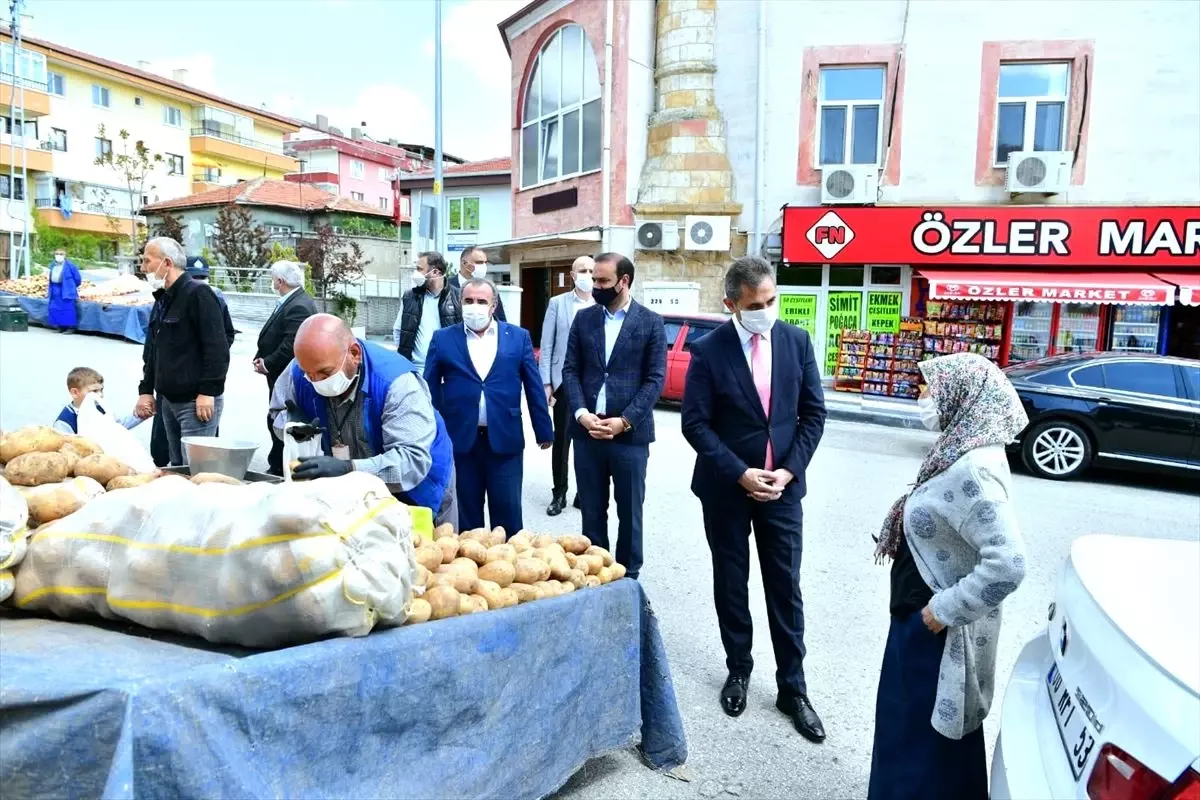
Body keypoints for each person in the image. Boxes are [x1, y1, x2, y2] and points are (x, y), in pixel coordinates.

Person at [868, 353, 1029, 800]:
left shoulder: (974, 470)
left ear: (963, 395)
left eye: (930, 388)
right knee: (910, 734)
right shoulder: (958, 448)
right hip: (920, 623)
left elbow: (1009, 563)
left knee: (918, 743)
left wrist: (941, 611)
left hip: (934, 634)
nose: (922, 397)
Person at [680, 256, 828, 741]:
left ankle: (793, 688)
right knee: (732, 581)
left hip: (782, 489)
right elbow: (695, 424)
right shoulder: (709, 350)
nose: (766, 310)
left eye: (771, 300)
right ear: (732, 305)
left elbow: (813, 416)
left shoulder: (796, 341)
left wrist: (787, 471)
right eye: (755, 305)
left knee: (785, 586)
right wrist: (741, 473)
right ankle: (738, 668)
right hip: (727, 488)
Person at [271, 314, 458, 528]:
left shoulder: (397, 383)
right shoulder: (301, 366)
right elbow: (277, 411)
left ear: (354, 354)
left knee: (424, 550)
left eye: (325, 373)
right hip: (351, 495)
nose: (316, 382)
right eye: (309, 375)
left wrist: (349, 469)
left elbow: (411, 461)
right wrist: (292, 427)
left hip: (416, 488)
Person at [562, 252, 666, 580]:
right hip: (588, 433)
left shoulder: (650, 322)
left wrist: (625, 421)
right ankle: (597, 575)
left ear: (624, 281)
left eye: (603, 281)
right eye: (594, 280)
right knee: (592, 512)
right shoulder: (584, 319)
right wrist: (580, 413)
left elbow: (655, 380)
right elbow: (571, 369)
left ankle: (629, 578)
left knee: (630, 512)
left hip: (630, 437)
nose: (596, 286)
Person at [424, 278, 553, 535]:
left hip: (505, 441)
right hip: (460, 441)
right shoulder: (443, 339)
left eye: (482, 301)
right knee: (466, 518)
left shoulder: (518, 337)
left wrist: (544, 430)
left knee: (508, 516)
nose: (475, 306)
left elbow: (534, 386)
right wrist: (431, 433)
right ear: (460, 303)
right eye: (469, 301)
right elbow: (428, 390)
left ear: (493, 305)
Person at [134, 237, 230, 467]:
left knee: (197, 470)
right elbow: (153, 351)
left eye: (147, 261)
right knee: (177, 466)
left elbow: (217, 348)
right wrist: (146, 390)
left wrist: (208, 391)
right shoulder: (163, 299)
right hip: (168, 401)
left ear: (166, 263)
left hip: (195, 403)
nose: (143, 268)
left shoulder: (199, 295)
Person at [539, 255, 595, 516]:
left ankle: (583, 493)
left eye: (591, 270)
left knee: (588, 441)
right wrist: (546, 383)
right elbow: (547, 344)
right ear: (572, 275)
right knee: (561, 441)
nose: (587, 274)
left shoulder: (602, 303)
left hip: (592, 384)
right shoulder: (557, 304)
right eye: (582, 270)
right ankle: (559, 492)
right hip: (562, 382)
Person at [253, 261, 318, 475]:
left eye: (273, 280)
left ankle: (281, 467)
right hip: (277, 373)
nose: (273, 283)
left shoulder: (298, 305)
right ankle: (278, 462)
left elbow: (291, 345)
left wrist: (268, 363)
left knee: (281, 419)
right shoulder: (291, 300)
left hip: (284, 375)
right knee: (277, 417)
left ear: (280, 281)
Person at [393, 251, 462, 373]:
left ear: (435, 272)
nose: (416, 274)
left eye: (420, 269)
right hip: (415, 369)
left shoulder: (458, 297)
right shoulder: (410, 297)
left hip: (447, 370)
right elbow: (399, 330)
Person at [52, 366, 143, 435]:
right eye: (94, 391)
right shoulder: (64, 423)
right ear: (75, 393)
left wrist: (140, 415)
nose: (100, 395)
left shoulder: (101, 409)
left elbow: (117, 428)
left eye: (101, 390)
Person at [185, 255, 237, 348]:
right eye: (195, 277)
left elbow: (228, 333)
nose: (199, 281)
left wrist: (219, 353)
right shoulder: (176, 300)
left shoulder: (218, 298)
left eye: (202, 277)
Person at [450, 247, 506, 322]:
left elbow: (500, 319)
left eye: (485, 262)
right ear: (464, 263)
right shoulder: (447, 286)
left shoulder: (490, 288)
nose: (483, 266)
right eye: (479, 262)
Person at [46, 247, 82, 334]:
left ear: (65, 256)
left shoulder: (71, 266)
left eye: (61, 254)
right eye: (57, 254)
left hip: (66, 289)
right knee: (55, 308)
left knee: (67, 308)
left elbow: (77, 279)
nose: (59, 256)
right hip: (55, 288)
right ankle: (60, 326)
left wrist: (71, 286)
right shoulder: (52, 265)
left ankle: (70, 327)